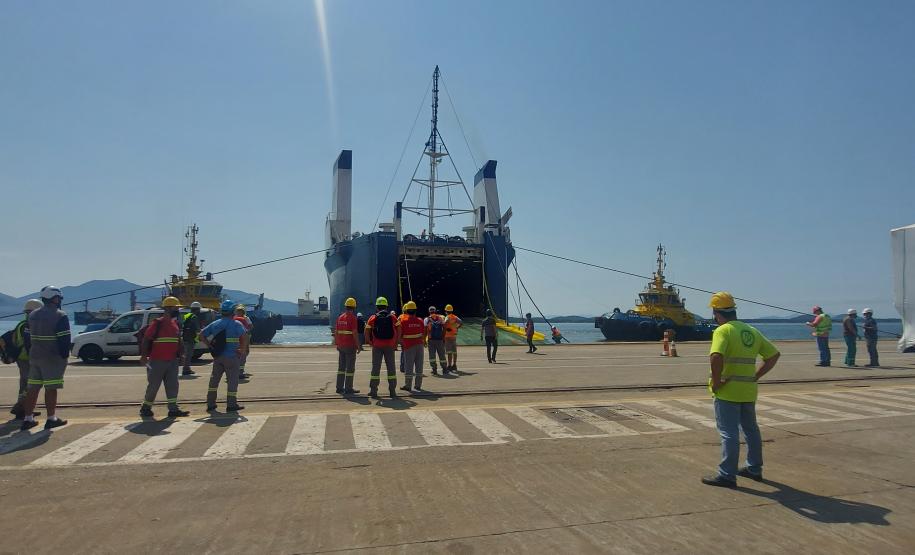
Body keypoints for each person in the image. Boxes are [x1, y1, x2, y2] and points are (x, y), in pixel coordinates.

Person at [701, 292, 780, 488]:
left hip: (727, 391)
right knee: (751, 430)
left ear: (716, 312)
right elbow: (773, 355)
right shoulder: (751, 330)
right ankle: (754, 469)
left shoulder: (723, 330)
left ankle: (727, 475)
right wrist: (756, 375)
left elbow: (716, 356)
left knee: (729, 433)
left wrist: (717, 381)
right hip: (748, 390)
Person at [20, 286, 71, 431]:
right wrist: (64, 356)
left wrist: (32, 352)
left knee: (32, 388)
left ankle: (28, 418)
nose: (59, 300)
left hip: (35, 357)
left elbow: (27, 337)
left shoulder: (33, 315)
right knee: (51, 388)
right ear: (55, 298)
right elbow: (64, 339)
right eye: (59, 298)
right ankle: (51, 418)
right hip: (52, 358)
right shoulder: (60, 315)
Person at [138, 297, 190, 418]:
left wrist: (182, 354)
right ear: (168, 308)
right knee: (153, 385)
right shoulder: (158, 323)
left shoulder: (175, 324)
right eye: (176, 308)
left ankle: (173, 409)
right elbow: (146, 339)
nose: (177, 310)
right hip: (157, 361)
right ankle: (145, 408)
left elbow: (178, 340)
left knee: (173, 385)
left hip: (172, 361)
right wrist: (144, 356)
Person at [199, 300, 249, 412]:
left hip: (218, 357)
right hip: (232, 357)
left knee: (214, 381)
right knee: (232, 381)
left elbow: (201, 335)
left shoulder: (215, 323)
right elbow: (245, 336)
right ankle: (231, 405)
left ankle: (210, 404)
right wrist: (242, 349)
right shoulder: (236, 324)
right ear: (233, 311)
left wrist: (210, 346)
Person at [8, 299, 42, 420]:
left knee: (25, 383)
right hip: (27, 358)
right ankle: (20, 408)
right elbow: (29, 344)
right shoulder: (29, 325)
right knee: (29, 384)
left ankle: (27, 408)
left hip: (21, 358)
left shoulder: (21, 324)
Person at [365, 297, 401, 398]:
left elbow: (366, 331)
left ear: (377, 307)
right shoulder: (393, 317)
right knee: (391, 369)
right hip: (390, 346)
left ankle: (373, 391)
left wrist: (370, 342)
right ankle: (392, 391)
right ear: (386, 306)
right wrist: (396, 342)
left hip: (377, 346)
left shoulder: (373, 318)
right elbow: (399, 328)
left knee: (375, 368)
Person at [334, 297, 362, 395]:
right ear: (354, 307)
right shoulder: (353, 318)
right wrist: (358, 346)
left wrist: (337, 343)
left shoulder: (340, 317)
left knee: (341, 368)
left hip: (341, 346)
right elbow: (354, 333)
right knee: (350, 368)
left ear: (346, 306)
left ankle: (339, 387)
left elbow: (336, 332)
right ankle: (348, 388)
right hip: (350, 346)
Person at [399, 301, 426, 391]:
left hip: (408, 346)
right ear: (415, 311)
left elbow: (400, 334)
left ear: (406, 311)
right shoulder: (420, 320)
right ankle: (418, 385)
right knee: (419, 365)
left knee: (409, 366)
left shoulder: (403, 321)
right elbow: (423, 333)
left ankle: (408, 385)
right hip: (419, 345)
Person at [180, 301, 202, 376]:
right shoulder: (194, 317)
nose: (199, 311)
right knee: (188, 355)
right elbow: (197, 329)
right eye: (199, 309)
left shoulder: (187, 316)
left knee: (187, 354)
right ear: (197, 309)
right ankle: (186, 369)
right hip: (190, 339)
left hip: (185, 337)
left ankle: (187, 368)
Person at [425, 306, 447, 375]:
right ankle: (444, 369)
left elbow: (425, 330)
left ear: (429, 312)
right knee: (442, 355)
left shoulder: (426, 319)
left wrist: (424, 340)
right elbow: (445, 328)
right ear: (435, 311)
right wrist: (443, 337)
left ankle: (434, 369)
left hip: (431, 340)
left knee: (432, 356)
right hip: (440, 340)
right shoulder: (441, 318)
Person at [234, 304, 254, 380]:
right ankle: (240, 371)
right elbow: (251, 327)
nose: (239, 312)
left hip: (238, 339)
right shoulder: (243, 319)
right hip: (242, 339)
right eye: (238, 311)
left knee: (239, 354)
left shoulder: (234, 318)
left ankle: (237, 371)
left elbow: (251, 327)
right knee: (243, 354)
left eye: (240, 311)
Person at [443, 304, 462, 373]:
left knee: (449, 352)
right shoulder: (455, 317)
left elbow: (445, 323)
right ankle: (454, 364)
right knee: (454, 352)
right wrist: (456, 328)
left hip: (448, 337)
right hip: (454, 336)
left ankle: (449, 365)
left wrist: (446, 327)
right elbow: (461, 322)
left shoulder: (447, 317)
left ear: (446, 311)